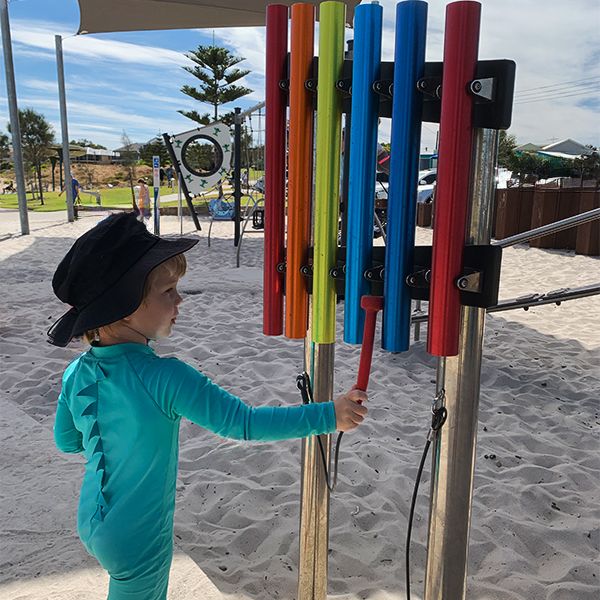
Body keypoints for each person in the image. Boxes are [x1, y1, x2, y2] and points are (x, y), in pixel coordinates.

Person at [48, 212, 367, 600]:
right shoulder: (166, 378)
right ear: (126, 306)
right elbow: (243, 423)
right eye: (168, 292)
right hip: (139, 535)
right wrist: (328, 414)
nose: (180, 299)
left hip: (92, 519)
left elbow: (68, 441)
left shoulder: (76, 371)